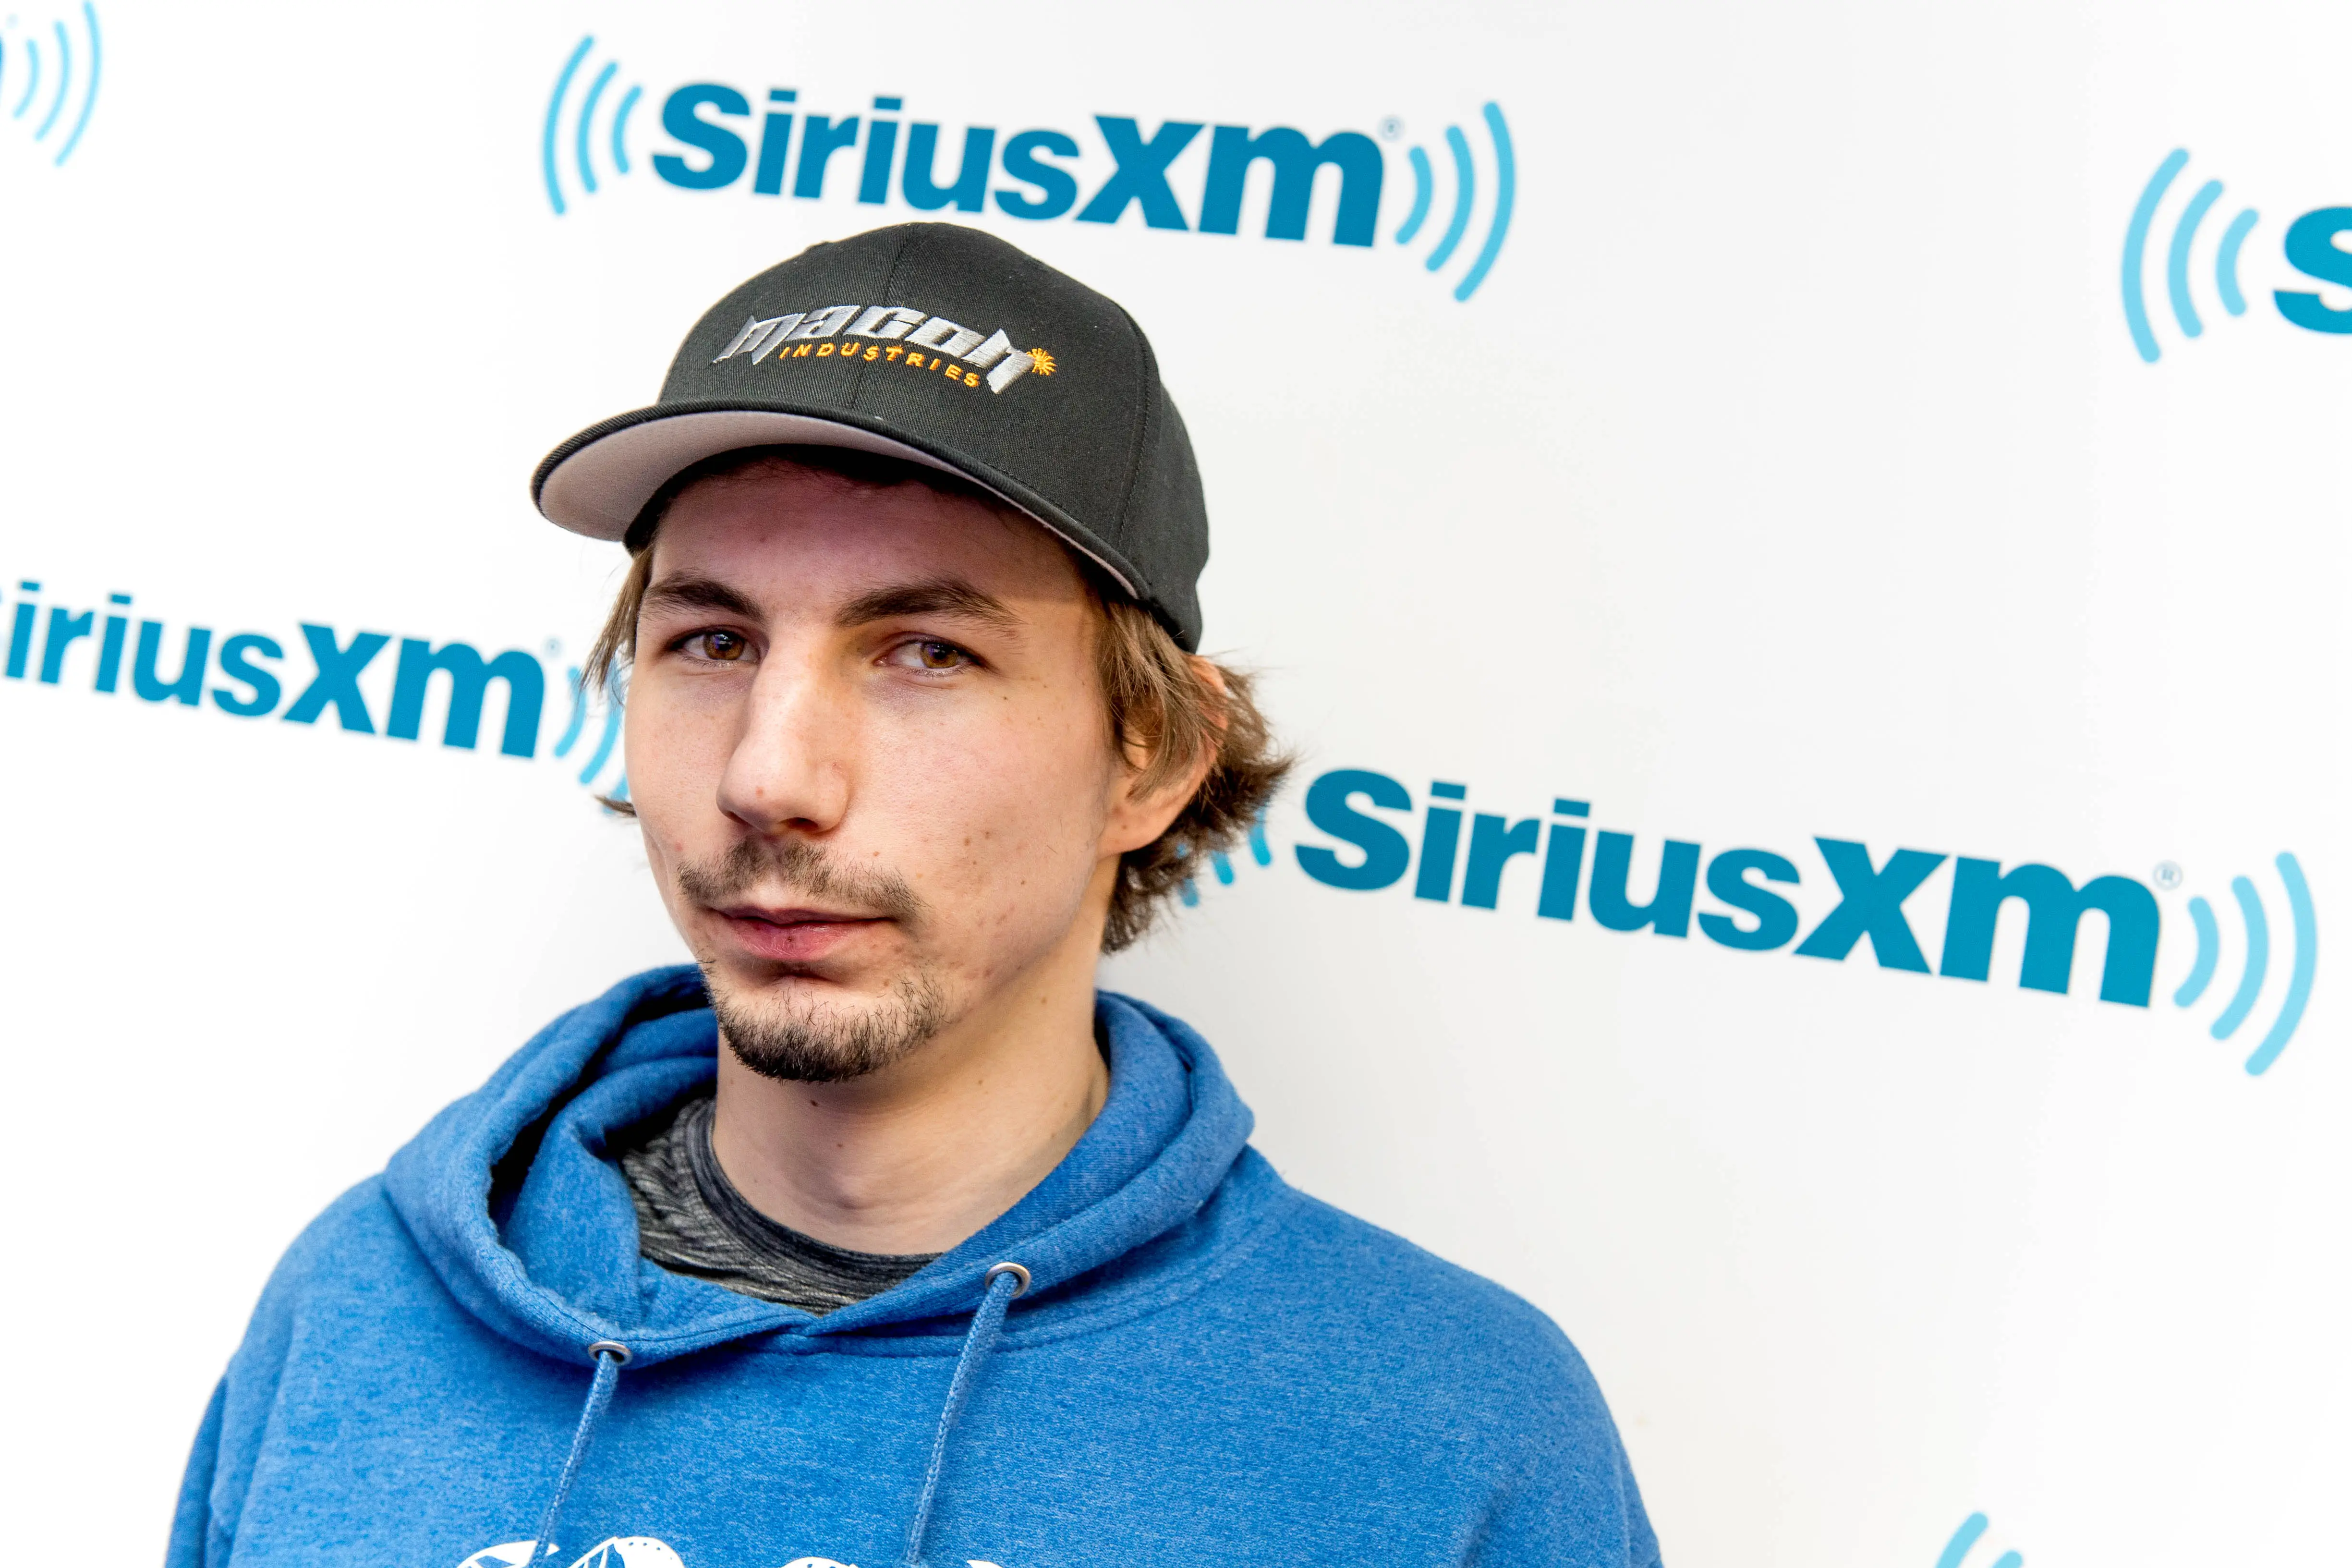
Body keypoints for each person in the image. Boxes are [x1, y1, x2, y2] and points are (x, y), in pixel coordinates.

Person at [168, 223, 1659, 1568]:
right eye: (711, 641)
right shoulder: (361, 1307)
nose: (771, 775)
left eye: (926, 652)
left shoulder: (1449, 1439)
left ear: (1151, 756)